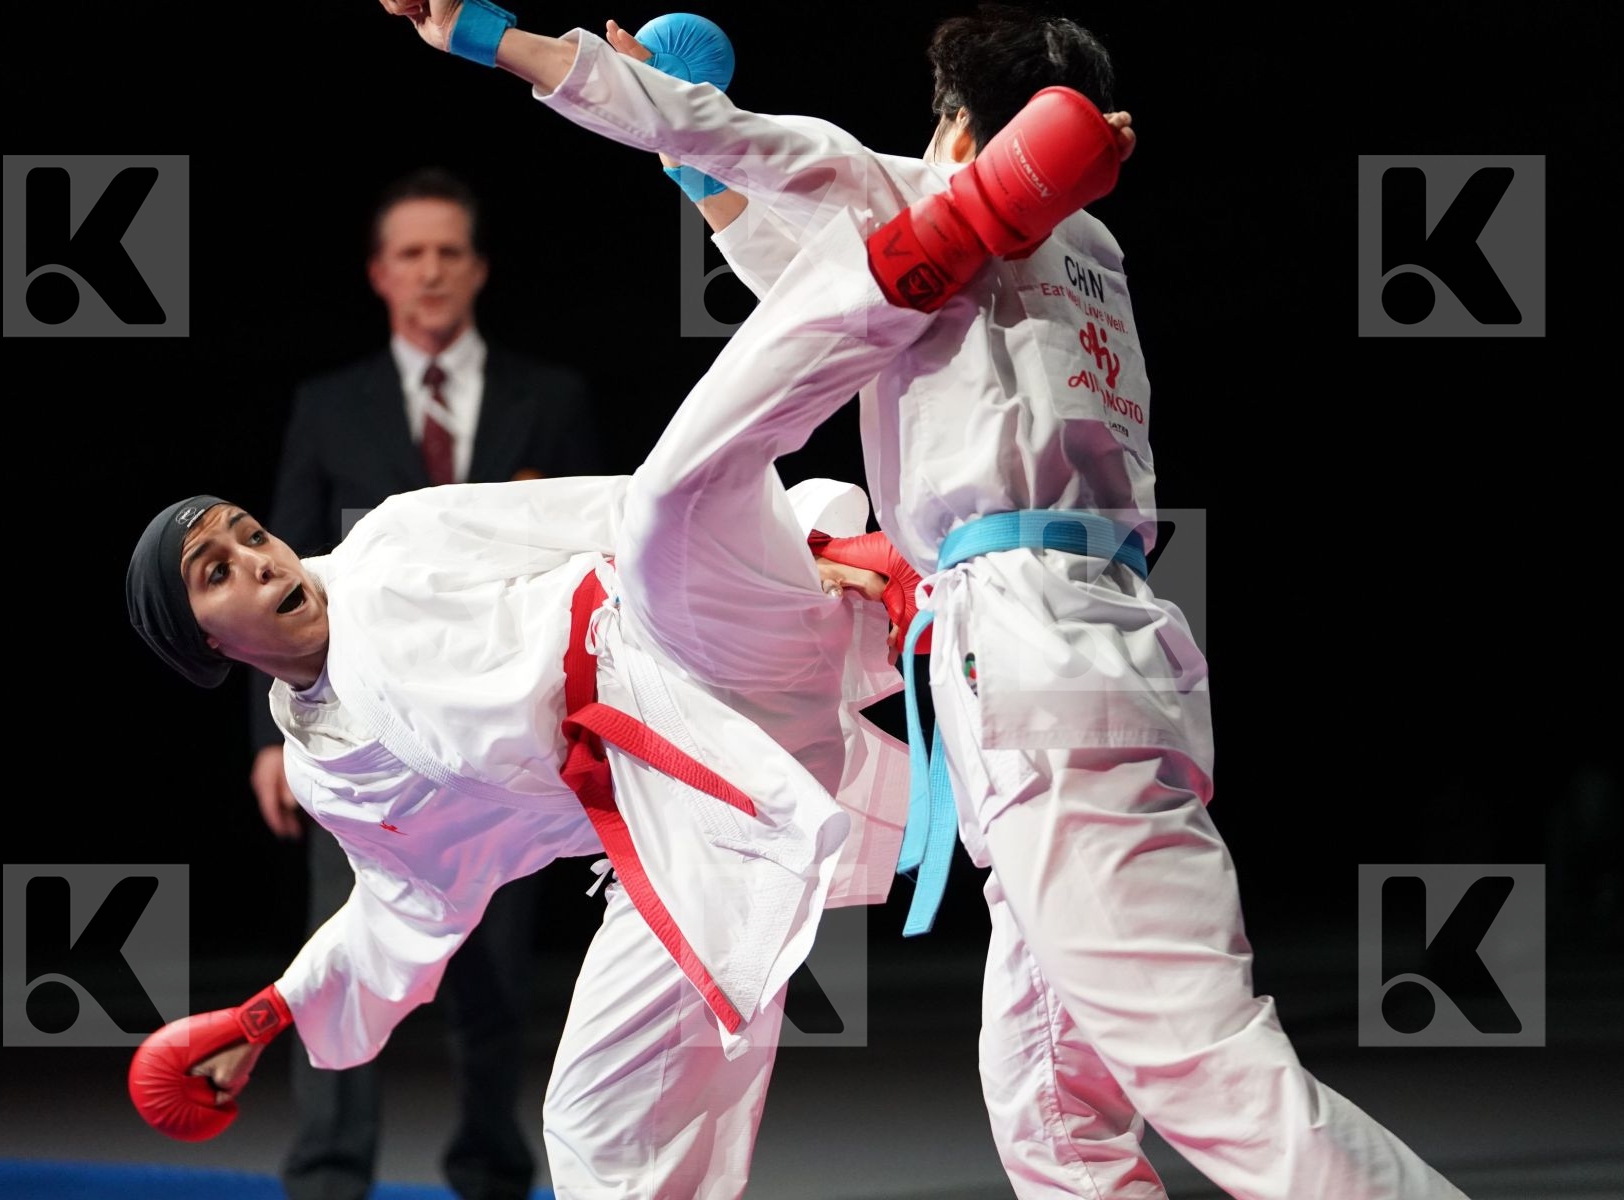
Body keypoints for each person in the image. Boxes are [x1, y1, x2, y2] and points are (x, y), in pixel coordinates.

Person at [382, 4, 1472, 1197]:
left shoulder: (929, 195)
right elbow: (833, 297)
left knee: (1201, 1066)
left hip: (1036, 655)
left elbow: (741, 149)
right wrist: (700, 173)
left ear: (959, 122)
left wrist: (492, 37)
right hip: (1098, 648)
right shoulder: (1090, 251)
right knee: (1052, 1099)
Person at [125, 114, 1125, 1198]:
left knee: (667, 493)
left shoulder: (390, 543)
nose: (255, 556)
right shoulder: (335, 773)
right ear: (209, 648)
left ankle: (949, 224)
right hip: (670, 819)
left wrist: (817, 544)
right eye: (216, 573)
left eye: (245, 534)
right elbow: (407, 907)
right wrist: (266, 1015)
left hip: (675, 631)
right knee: (598, 1126)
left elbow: (585, 511)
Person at [246, 166, 600, 1200]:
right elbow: (270, 574)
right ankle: (326, 1171)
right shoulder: (326, 408)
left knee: (492, 975)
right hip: (355, 737)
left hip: (505, 736)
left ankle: (492, 1171)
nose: (432, 270)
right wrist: (268, 741)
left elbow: (594, 558)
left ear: (478, 268)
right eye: (412, 252)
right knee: (343, 954)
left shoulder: (554, 398)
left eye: (449, 250)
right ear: (379, 273)